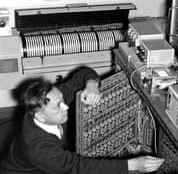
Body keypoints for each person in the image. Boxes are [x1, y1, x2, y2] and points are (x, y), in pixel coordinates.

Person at [0, 66, 164, 174]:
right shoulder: (39, 149)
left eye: (63, 100)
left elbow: (81, 75)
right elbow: (78, 166)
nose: (66, 106)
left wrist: (92, 84)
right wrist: (131, 165)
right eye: (58, 106)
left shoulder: (52, 99)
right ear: (40, 116)